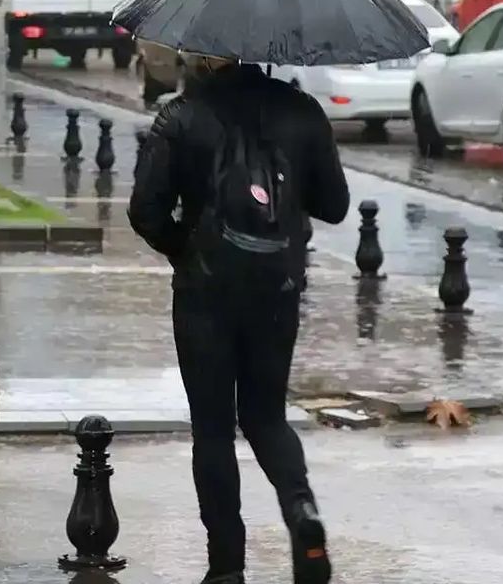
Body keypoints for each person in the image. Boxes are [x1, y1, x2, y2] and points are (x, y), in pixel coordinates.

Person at [128, 57, 350, 584]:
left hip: (204, 294)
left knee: (213, 430)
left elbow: (145, 210)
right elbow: (335, 205)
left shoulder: (182, 116)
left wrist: (185, 248)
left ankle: (226, 565)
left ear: (206, 55)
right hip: (277, 288)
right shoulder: (301, 111)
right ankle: (301, 508)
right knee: (266, 416)